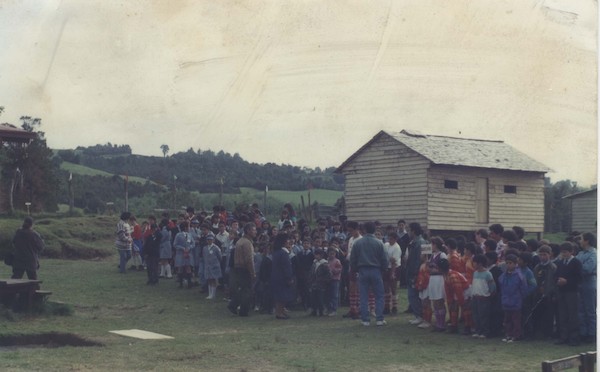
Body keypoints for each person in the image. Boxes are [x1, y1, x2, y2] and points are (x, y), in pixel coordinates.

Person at [350, 221, 388, 326]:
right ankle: (379, 318)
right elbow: (385, 259)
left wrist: (355, 269)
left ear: (364, 230)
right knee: (379, 295)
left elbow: (353, 259)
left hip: (362, 270)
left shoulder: (358, 243)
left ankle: (365, 319)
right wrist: (383, 270)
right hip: (376, 270)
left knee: (363, 296)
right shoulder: (379, 243)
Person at [555, 242, 583, 346]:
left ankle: (574, 338)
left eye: (565, 252)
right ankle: (563, 336)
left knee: (572, 315)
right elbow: (556, 274)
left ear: (571, 252)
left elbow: (579, 278)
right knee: (562, 314)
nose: (563, 254)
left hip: (572, 291)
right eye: (562, 252)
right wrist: (557, 281)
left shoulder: (576, 262)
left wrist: (567, 281)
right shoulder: (560, 262)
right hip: (562, 291)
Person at [228, 223, 257, 317]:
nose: (255, 232)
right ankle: (243, 310)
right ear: (248, 231)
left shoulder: (240, 241)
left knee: (243, 289)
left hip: (238, 268)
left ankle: (234, 304)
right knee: (247, 290)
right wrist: (253, 272)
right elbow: (249, 260)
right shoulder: (247, 243)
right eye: (253, 230)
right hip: (245, 269)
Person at [498, 254, 527, 343]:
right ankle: (508, 334)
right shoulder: (504, 275)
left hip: (516, 301)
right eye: (507, 263)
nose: (508, 265)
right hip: (506, 300)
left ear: (515, 264)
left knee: (516, 320)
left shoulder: (519, 275)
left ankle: (516, 335)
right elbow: (501, 284)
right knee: (507, 320)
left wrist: (520, 298)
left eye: (510, 263)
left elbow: (523, 289)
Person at [531, 245, 557, 340]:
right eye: (540, 255)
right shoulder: (537, 267)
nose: (542, 257)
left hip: (549, 294)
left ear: (550, 255)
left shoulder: (553, 267)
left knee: (549, 315)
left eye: (545, 254)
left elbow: (553, 282)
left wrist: (549, 291)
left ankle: (548, 333)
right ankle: (538, 332)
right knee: (538, 313)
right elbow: (534, 280)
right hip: (538, 294)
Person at [470, 254, 496, 339]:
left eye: (474, 263)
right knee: (476, 315)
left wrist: (489, 296)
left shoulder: (488, 274)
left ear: (480, 263)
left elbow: (492, 287)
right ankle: (478, 331)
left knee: (483, 316)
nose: (473, 264)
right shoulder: (475, 273)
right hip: (475, 298)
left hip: (484, 298)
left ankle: (485, 332)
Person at [576, 232, 596, 343]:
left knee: (590, 309)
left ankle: (591, 334)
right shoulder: (581, 253)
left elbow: (588, 269)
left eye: (582, 239)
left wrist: (577, 267)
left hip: (589, 283)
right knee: (581, 310)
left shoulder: (593, 254)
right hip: (581, 283)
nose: (580, 241)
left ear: (587, 241)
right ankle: (583, 333)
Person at [271, 233, 294, 319]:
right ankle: (279, 312)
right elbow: (286, 267)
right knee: (282, 296)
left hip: (276, 277)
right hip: (282, 278)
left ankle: (281, 311)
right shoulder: (283, 253)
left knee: (280, 296)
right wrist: (289, 277)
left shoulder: (276, 252)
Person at [406, 222, 425, 324]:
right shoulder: (423, 242)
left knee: (413, 295)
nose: (408, 232)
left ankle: (420, 315)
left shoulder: (418, 243)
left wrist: (415, 273)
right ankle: (419, 315)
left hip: (416, 273)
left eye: (409, 230)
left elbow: (419, 260)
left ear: (413, 231)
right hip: (420, 272)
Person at [308, 248, 331, 316]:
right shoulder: (314, 262)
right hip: (314, 283)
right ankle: (314, 310)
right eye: (315, 254)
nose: (316, 256)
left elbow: (328, 274)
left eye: (317, 255)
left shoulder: (324, 264)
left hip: (321, 283)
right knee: (313, 297)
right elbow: (311, 272)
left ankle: (322, 311)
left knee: (321, 298)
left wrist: (325, 281)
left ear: (321, 255)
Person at [383, 233, 401, 315]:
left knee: (393, 288)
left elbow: (394, 262)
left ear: (395, 239)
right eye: (389, 238)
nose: (389, 240)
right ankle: (387, 307)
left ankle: (394, 307)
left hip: (394, 268)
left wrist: (392, 273)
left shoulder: (396, 248)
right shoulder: (386, 245)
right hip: (387, 268)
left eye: (391, 239)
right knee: (386, 288)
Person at [173, 222, 195, 289]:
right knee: (181, 268)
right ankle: (181, 284)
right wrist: (182, 248)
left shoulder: (190, 235)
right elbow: (175, 244)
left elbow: (193, 243)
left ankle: (189, 283)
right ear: (185, 227)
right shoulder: (178, 235)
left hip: (188, 253)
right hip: (181, 254)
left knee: (188, 267)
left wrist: (189, 248)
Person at [203, 235, 222, 300]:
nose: (209, 241)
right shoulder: (205, 248)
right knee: (209, 279)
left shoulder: (216, 248)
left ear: (213, 240)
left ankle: (213, 294)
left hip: (214, 265)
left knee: (213, 279)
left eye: (211, 240)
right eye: (208, 240)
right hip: (207, 266)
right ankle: (209, 294)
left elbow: (220, 257)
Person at [327, 246, 342, 316]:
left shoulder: (337, 261)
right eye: (330, 253)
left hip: (335, 279)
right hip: (328, 279)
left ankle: (334, 309)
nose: (331, 255)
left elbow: (340, 269)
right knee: (329, 295)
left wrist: (333, 270)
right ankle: (329, 308)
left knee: (334, 295)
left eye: (333, 253)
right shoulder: (327, 260)